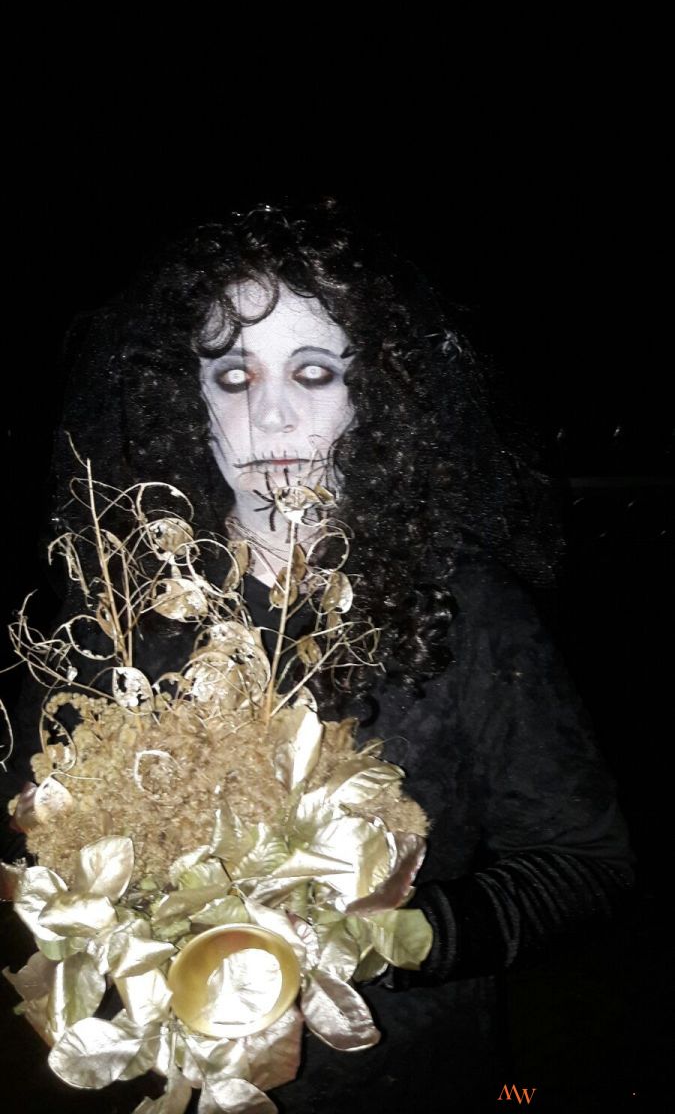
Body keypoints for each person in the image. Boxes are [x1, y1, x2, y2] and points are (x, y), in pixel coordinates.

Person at [1, 200, 634, 1113]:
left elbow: (583, 862)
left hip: (399, 1078)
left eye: (313, 372)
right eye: (232, 375)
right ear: (190, 399)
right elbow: (39, 833)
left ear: (370, 396)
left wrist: (392, 937)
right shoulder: (123, 610)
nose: (270, 415)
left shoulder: (465, 610)